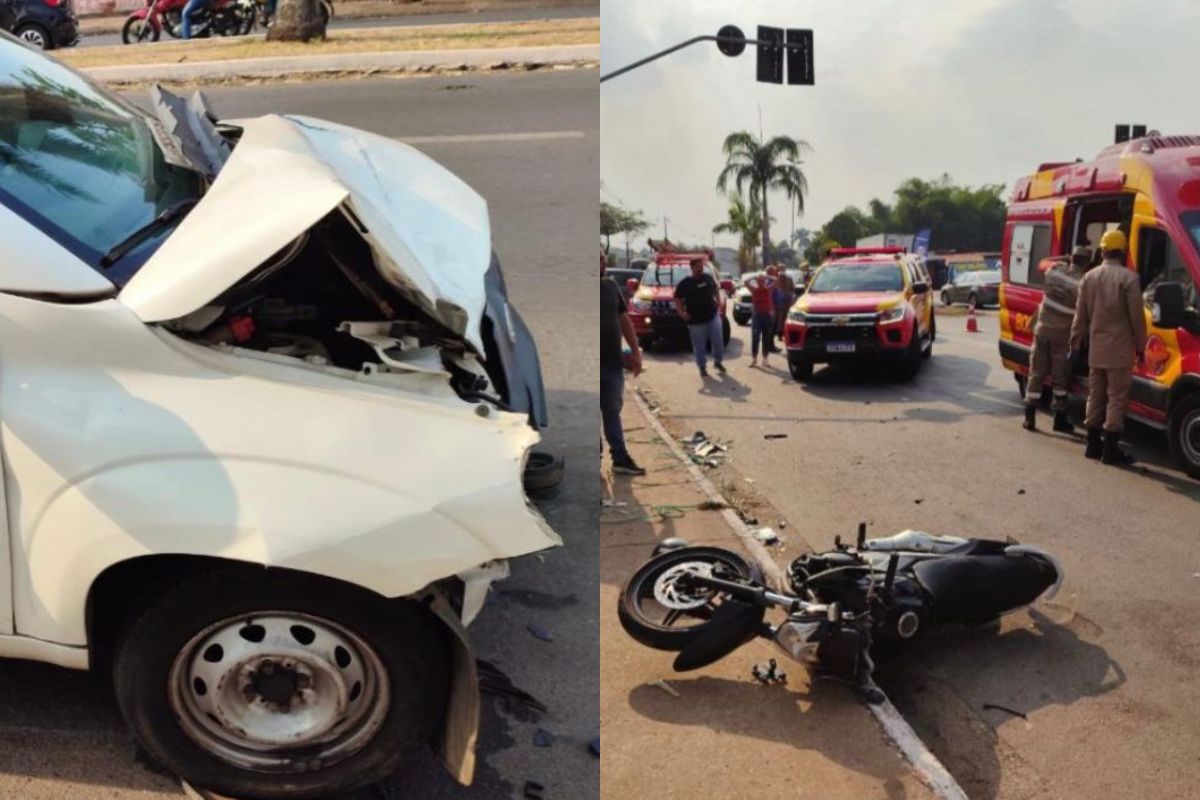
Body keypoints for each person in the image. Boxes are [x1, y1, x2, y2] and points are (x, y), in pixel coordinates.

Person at [1069, 229, 1147, 465]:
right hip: (1119, 350)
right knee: (1116, 397)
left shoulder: (1089, 277)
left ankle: (1092, 445)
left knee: (1096, 394)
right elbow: (1136, 317)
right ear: (1123, 251)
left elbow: (1080, 314)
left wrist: (1075, 340)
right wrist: (1141, 345)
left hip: (1096, 348)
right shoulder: (1129, 279)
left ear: (1103, 250)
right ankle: (1110, 450)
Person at [1023, 245, 1090, 433]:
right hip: (1062, 335)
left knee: (1036, 373)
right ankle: (1059, 419)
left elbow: (1041, 263)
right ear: (1086, 263)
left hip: (1042, 330)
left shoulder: (1054, 271)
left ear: (1072, 258)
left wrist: (1064, 257)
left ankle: (1029, 418)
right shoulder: (1082, 283)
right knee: (1061, 377)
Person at [600, 249, 645, 476]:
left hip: (612, 364)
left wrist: (636, 352)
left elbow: (624, 319)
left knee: (612, 412)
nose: (601, 263)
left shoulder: (610, 287)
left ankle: (620, 458)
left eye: (602, 259)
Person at [673, 257, 724, 377]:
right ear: (692, 268)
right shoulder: (686, 283)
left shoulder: (708, 278)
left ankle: (718, 362)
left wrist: (718, 300)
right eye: (698, 267)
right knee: (699, 346)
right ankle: (702, 367)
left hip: (712, 316)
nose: (700, 269)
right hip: (696, 321)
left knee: (718, 341)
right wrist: (682, 313)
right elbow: (677, 298)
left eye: (702, 266)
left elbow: (716, 288)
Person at [745, 267, 776, 367]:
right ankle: (754, 359)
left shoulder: (768, 289)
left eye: (763, 280)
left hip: (767, 315)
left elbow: (776, 280)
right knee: (755, 337)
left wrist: (766, 275)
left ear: (765, 281)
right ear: (757, 281)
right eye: (759, 280)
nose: (761, 282)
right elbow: (746, 281)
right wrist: (755, 276)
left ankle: (765, 359)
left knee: (766, 337)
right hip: (757, 316)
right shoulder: (754, 289)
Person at [772, 266, 796, 344]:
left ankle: (788, 334)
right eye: (780, 269)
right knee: (780, 318)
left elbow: (792, 290)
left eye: (783, 269)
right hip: (779, 302)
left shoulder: (789, 279)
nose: (782, 271)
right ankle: (779, 333)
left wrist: (791, 298)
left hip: (788, 301)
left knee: (788, 317)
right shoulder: (775, 279)